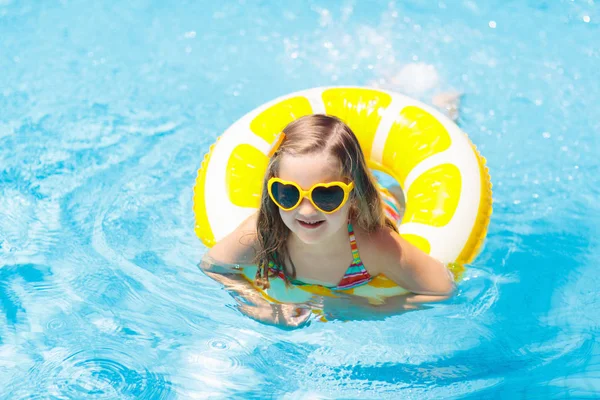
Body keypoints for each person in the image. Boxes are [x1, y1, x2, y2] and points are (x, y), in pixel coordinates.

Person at [201, 114, 455, 328]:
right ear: (273, 190)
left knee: (392, 194)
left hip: (382, 209)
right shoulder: (261, 233)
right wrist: (262, 308)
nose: (307, 211)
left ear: (353, 194)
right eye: (288, 193)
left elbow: (442, 289)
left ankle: (445, 109)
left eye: (326, 195)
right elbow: (212, 267)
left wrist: (373, 309)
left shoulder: (374, 244)